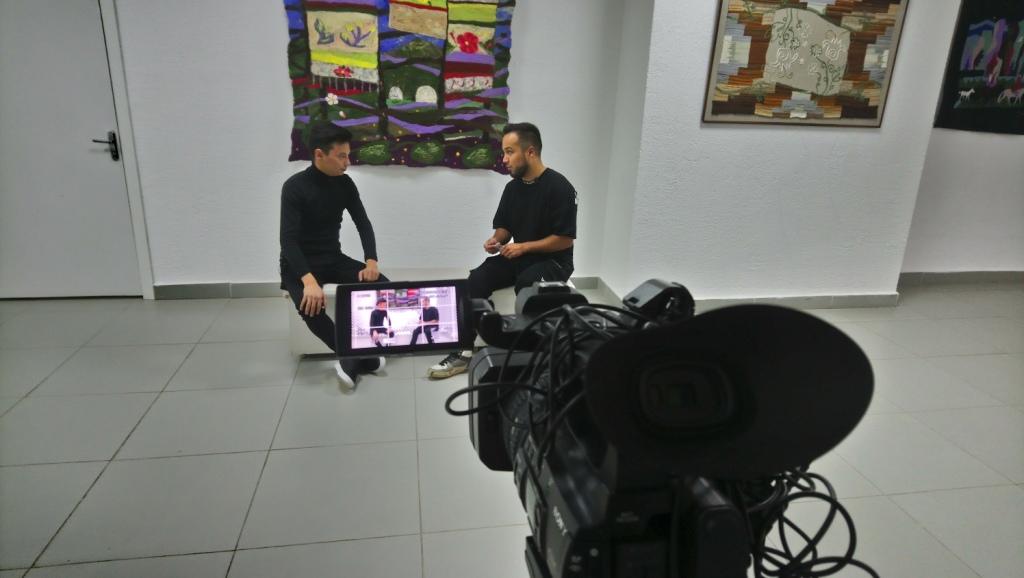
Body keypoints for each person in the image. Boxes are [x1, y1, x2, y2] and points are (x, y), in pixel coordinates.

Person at [428, 122, 577, 379]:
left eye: (510, 152)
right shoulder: (513, 188)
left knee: (528, 285)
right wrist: (495, 240)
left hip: (554, 262)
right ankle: (464, 352)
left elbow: (565, 240)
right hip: (519, 255)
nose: (504, 159)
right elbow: (505, 228)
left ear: (530, 152)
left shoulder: (560, 187)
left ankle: (533, 358)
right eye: (504, 152)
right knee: (477, 279)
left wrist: (523, 246)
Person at [280, 122, 390, 391]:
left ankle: (358, 352)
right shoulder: (294, 187)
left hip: (332, 258)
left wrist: (371, 261)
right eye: (341, 156)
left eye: (348, 156)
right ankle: (352, 354)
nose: (347, 163)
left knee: (383, 286)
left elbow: (363, 224)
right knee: (311, 304)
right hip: (298, 266)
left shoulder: (345, 184)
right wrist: (308, 281)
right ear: (319, 154)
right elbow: (288, 241)